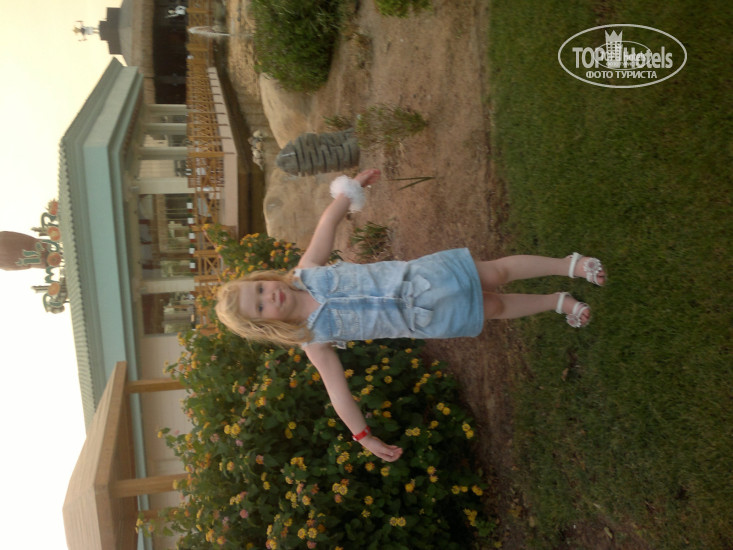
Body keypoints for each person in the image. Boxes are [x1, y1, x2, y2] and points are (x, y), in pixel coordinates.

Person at [215, 169, 606, 462]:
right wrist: (363, 437)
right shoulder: (313, 340)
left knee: (496, 273)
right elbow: (338, 392)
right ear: (265, 324)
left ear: (264, 279)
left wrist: (351, 190)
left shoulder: (306, 272)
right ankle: (558, 302)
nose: (270, 296)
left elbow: (327, 224)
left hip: (425, 276)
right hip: (427, 318)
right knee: (495, 307)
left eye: (260, 289)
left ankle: (569, 265)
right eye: (261, 306)